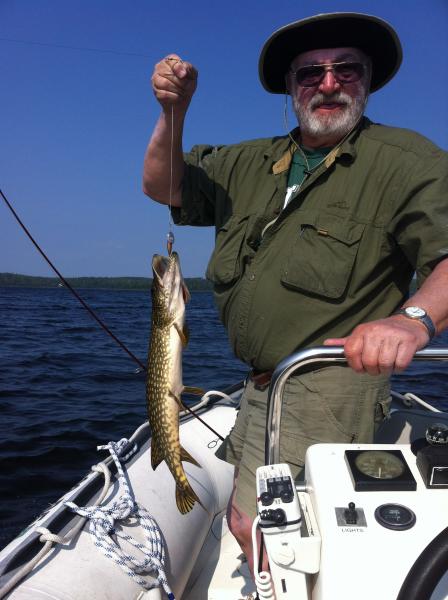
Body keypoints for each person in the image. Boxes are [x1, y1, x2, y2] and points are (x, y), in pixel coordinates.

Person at [143, 12, 448, 576]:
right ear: (290, 86)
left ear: (369, 79)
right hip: (261, 382)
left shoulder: (408, 163)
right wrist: (172, 112)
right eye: (310, 73)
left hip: (328, 384)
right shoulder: (248, 162)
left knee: (288, 533)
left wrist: (412, 320)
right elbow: (163, 185)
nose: (327, 83)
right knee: (249, 520)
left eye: (345, 69)